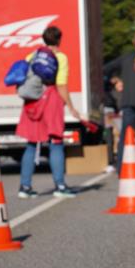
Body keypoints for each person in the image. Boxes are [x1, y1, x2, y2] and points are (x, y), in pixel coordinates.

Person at [16, 26, 83, 198]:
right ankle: (60, 186)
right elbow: (61, 85)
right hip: (51, 100)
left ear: (44, 39)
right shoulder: (60, 57)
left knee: (32, 143)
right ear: (59, 40)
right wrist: (71, 107)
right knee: (56, 142)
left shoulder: (32, 56)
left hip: (32, 102)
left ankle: (24, 187)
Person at [105, 29, 135, 178]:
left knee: (126, 138)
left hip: (128, 101)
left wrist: (114, 80)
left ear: (134, 44)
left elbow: (105, 69)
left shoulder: (126, 58)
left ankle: (122, 169)